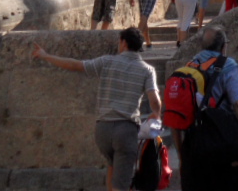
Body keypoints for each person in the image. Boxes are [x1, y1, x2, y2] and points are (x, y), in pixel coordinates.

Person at [33, 28, 160, 191]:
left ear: (124, 43)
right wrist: (156, 114)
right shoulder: (147, 70)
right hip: (126, 130)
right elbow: (154, 100)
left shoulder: (107, 62)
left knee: (112, 166)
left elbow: (75, 65)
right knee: (121, 184)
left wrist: (45, 55)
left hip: (102, 130)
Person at [173, 26, 238, 191]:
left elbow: (176, 113)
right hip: (223, 141)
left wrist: (181, 155)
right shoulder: (228, 65)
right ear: (223, 46)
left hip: (194, 142)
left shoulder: (189, 66)